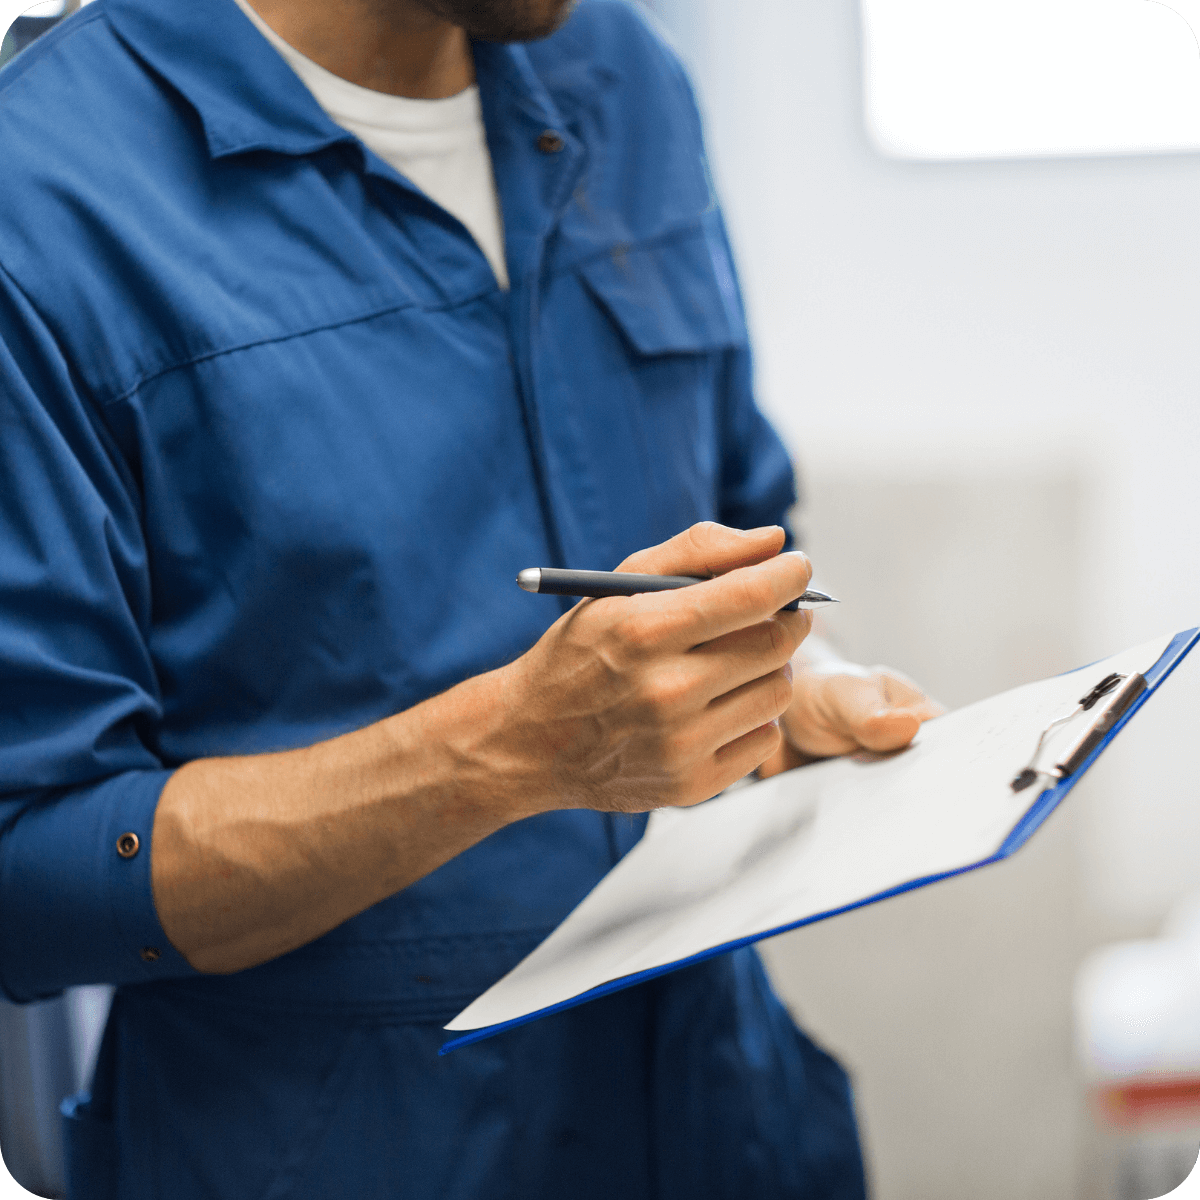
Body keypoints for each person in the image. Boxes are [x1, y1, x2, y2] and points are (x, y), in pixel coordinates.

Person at [0, 1, 942, 1196]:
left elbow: (744, 504)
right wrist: (505, 752)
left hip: (717, 1107)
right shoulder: (39, 198)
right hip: (337, 1149)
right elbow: (31, 869)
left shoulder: (620, 70)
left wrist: (786, 683)